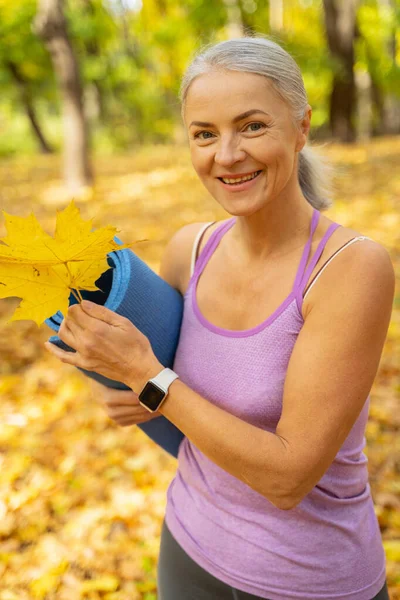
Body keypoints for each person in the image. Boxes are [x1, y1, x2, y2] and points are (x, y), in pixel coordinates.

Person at [46, 36, 395, 600]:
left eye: (252, 126)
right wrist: (121, 382)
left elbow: (288, 477)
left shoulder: (351, 269)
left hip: (306, 579)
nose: (226, 155)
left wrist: (148, 379)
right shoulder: (190, 249)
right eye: (204, 134)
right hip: (186, 549)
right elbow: (172, 406)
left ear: (302, 127)